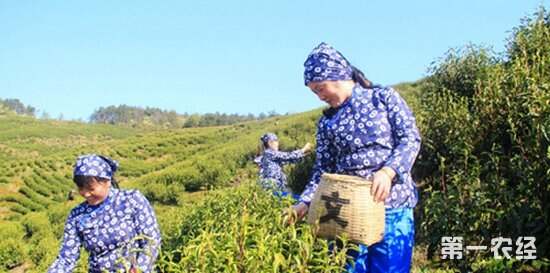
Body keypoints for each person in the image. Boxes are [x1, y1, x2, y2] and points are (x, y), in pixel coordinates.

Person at [292, 42, 421, 273]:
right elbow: (323, 169)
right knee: (348, 268)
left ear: (338, 76)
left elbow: (410, 138)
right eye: (314, 92)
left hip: (391, 206)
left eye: (321, 88)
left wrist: (388, 171)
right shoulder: (327, 122)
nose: (320, 96)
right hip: (345, 212)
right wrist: (304, 202)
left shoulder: (382, 98)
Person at [48, 154, 161, 273]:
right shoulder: (77, 215)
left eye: (91, 189)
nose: (86, 194)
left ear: (107, 181)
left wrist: (139, 269)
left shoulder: (131, 200)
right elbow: (66, 258)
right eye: (81, 188)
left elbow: (151, 240)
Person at [257, 132, 312, 198]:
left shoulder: (267, 155)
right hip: (273, 189)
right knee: (299, 199)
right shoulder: (270, 153)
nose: (277, 144)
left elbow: (288, 160)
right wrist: (303, 150)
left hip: (274, 188)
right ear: (270, 143)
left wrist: (303, 155)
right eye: (276, 141)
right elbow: (288, 156)